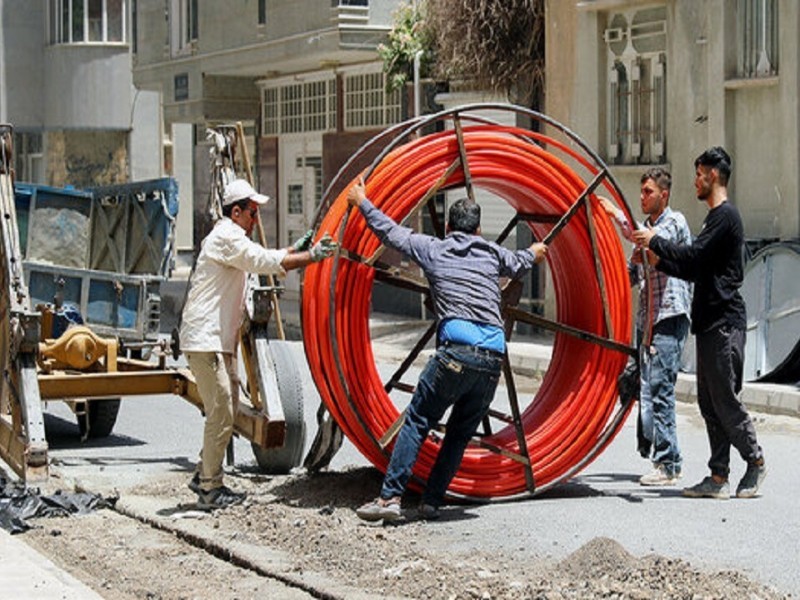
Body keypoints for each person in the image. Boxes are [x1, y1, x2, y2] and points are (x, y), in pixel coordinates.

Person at [347, 177, 548, 522]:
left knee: (418, 420)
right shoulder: (491, 253)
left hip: (456, 353)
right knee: (458, 434)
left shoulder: (434, 249)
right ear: (479, 229)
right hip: (492, 361)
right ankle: (432, 502)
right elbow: (519, 262)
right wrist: (535, 251)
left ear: (450, 227)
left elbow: (391, 233)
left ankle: (390, 499)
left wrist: (362, 202)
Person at [180, 178, 337, 508]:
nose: (256, 219)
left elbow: (262, 257)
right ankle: (209, 488)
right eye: (252, 212)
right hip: (205, 339)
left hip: (218, 341)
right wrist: (311, 256)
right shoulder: (226, 236)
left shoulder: (232, 237)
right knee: (222, 410)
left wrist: (295, 249)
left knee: (227, 408)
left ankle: (204, 474)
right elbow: (261, 260)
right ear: (236, 212)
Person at [632, 147, 766, 499]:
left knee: (724, 400)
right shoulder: (713, 219)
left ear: (714, 176)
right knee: (708, 404)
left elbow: (694, 254)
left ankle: (755, 461)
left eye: (699, 174)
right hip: (708, 324)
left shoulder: (726, 217)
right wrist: (657, 260)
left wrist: (656, 241)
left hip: (724, 322)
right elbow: (693, 268)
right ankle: (718, 478)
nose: (695, 181)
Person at [599, 168, 692, 486]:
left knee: (662, 389)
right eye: (641, 192)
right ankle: (657, 451)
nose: (642, 197)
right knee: (646, 387)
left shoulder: (673, 222)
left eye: (648, 192)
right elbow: (631, 273)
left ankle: (669, 463)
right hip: (648, 321)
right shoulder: (646, 231)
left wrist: (617, 216)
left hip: (668, 317)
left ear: (664, 195)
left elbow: (654, 244)